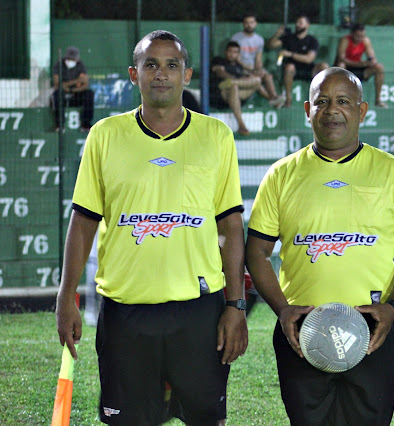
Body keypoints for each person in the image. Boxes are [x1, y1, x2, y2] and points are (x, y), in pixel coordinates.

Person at [55, 30, 248, 425]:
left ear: (187, 75)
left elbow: (229, 225)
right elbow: (84, 220)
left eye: (172, 65)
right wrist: (65, 296)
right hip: (126, 310)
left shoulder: (216, 136)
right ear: (134, 74)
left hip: (199, 309)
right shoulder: (105, 135)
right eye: (151, 65)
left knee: (205, 418)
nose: (161, 74)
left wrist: (235, 304)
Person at [246, 67, 394, 425]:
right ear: (307, 110)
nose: (332, 110)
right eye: (322, 102)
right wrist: (283, 310)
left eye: (343, 102)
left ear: (361, 111)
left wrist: (393, 308)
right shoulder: (282, 174)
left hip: (373, 326)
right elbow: (257, 252)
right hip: (301, 329)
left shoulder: (393, 172)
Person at [267, 15, 329, 108]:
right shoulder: (289, 38)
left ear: (307, 25)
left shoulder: (312, 40)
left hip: (308, 69)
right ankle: (288, 100)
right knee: (289, 67)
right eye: (297, 22)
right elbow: (271, 45)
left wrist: (290, 54)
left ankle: (323, 98)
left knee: (324, 66)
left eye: (300, 23)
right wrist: (277, 34)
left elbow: (309, 59)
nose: (297, 25)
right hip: (291, 70)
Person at [231, 14, 286, 108]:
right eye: (246, 23)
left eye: (251, 22)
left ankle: (274, 97)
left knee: (267, 76)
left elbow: (258, 58)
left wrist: (259, 69)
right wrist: (251, 70)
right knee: (257, 80)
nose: (249, 25)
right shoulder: (236, 38)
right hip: (240, 68)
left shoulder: (259, 39)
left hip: (253, 68)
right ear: (243, 24)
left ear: (255, 23)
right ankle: (274, 100)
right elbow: (236, 59)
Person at [211, 41, 263, 136]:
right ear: (225, 52)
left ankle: (233, 82)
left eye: (235, 52)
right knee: (234, 87)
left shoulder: (239, 66)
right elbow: (220, 72)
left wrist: (241, 65)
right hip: (220, 94)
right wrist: (233, 78)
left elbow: (256, 72)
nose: (232, 54)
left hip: (236, 96)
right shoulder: (219, 60)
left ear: (238, 54)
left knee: (257, 81)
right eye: (230, 51)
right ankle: (241, 125)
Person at [335, 24, 387, 108]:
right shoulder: (345, 40)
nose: (360, 38)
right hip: (346, 69)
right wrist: (360, 64)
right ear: (352, 34)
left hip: (359, 70)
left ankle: (378, 100)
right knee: (341, 65)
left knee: (379, 67)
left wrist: (371, 61)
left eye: (362, 36)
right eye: (357, 36)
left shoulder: (365, 41)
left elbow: (372, 57)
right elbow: (341, 58)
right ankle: (339, 99)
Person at [51, 46, 94, 131]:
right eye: (69, 59)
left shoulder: (81, 65)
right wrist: (76, 81)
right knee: (56, 95)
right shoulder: (59, 64)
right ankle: (59, 125)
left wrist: (69, 88)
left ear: (77, 59)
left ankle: (86, 125)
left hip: (76, 93)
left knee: (89, 94)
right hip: (63, 94)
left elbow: (85, 84)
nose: (70, 61)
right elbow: (57, 84)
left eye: (73, 59)